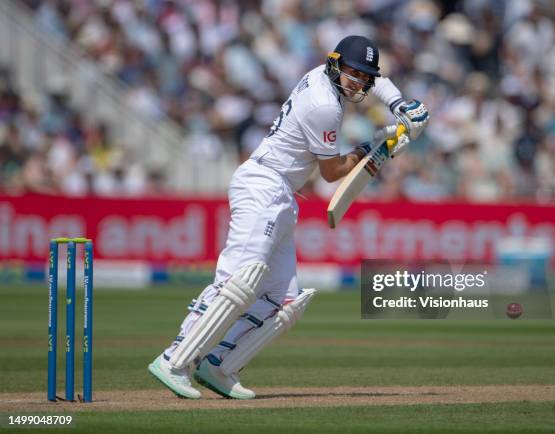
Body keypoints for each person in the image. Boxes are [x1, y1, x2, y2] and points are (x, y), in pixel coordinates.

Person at [147, 35, 429, 399]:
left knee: (284, 300)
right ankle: (174, 359)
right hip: (263, 185)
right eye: (353, 73)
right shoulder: (323, 105)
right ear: (336, 64)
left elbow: (381, 82)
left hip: (281, 192)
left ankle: (217, 364)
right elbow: (332, 172)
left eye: (364, 77)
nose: (359, 82)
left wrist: (400, 106)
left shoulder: (324, 76)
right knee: (238, 280)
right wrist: (375, 146)